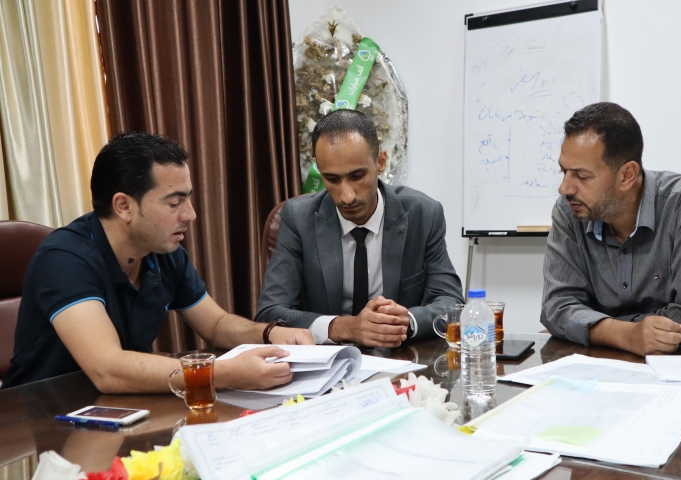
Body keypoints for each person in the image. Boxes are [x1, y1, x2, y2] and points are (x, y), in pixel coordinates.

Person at [2, 132, 314, 392]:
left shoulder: (163, 252)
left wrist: (270, 333)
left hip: (121, 408)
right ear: (124, 206)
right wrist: (223, 373)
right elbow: (107, 369)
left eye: (188, 199)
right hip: (37, 421)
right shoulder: (64, 259)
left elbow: (216, 325)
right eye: (175, 202)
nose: (190, 214)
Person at [540, 102, 681, 356]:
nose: (565, 188)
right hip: (612, 363)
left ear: (627, 175)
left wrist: (594, 326)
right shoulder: (570, 211)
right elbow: (556, 308)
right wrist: (626, 335)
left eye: (582, 176)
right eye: (563, 171)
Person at [256, 109, 463, 347]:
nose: (347, 196)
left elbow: (451, 303)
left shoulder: (423, 214)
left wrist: (408, 321)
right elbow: (270, 313)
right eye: (332, 179)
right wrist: (345, 327)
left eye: (357, 176)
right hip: (327, 361)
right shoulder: (298, 218)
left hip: (400, 357)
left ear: (381, 162)